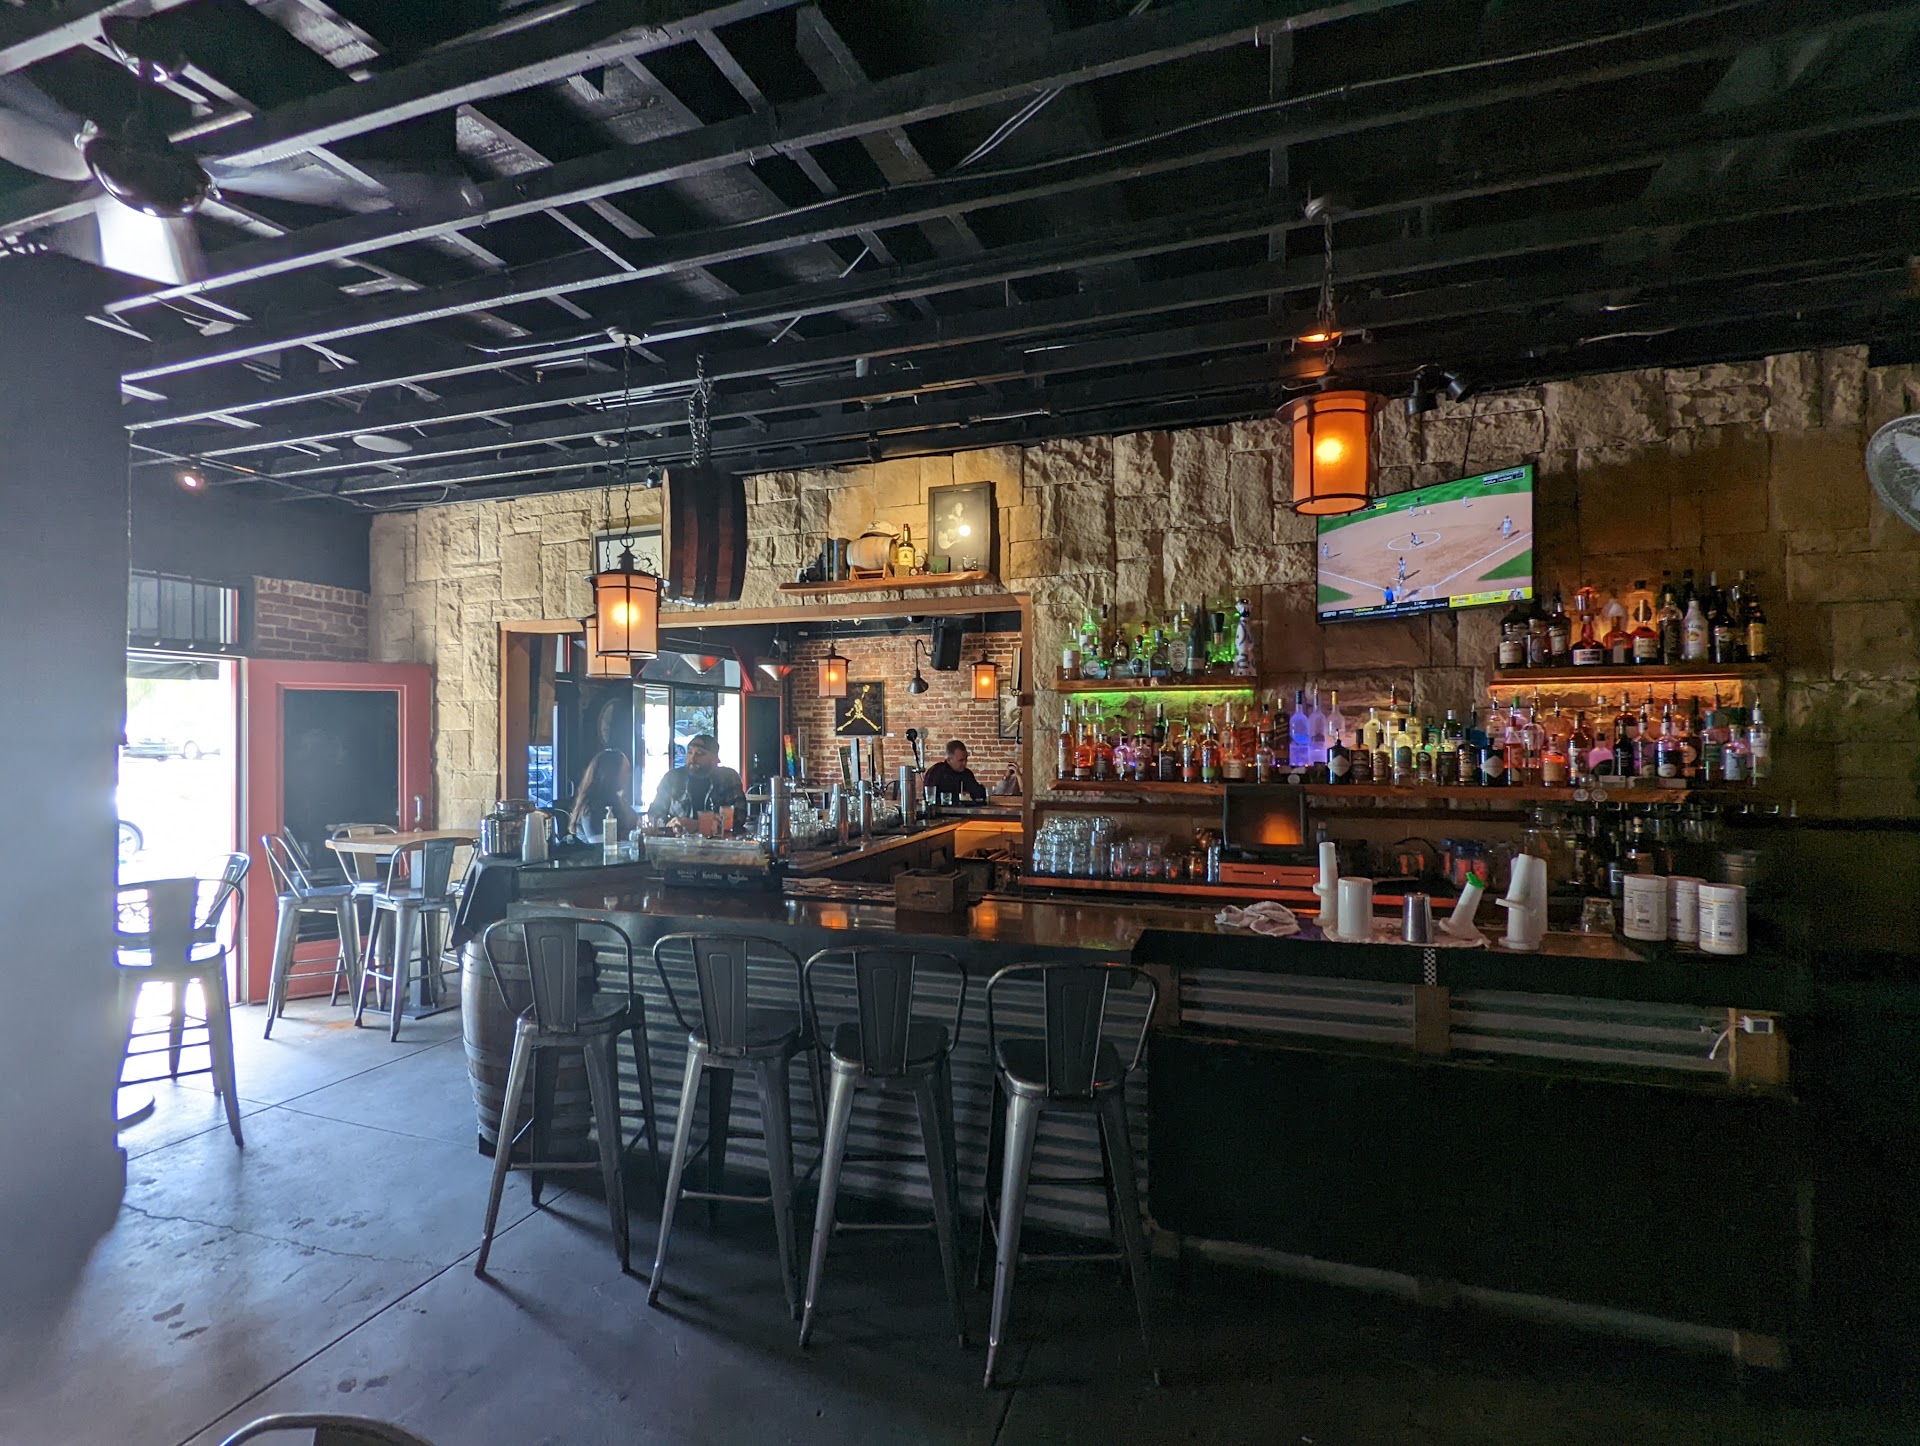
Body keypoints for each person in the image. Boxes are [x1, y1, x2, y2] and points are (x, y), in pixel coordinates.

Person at [648, 733, 746, 824]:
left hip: (718, 837)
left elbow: (740, 816)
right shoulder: (672, 778)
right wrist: (670, 824)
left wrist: (700, 826)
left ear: (715, 758)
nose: (692, 758)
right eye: (690, 752)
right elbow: (654, 812)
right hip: (680, 836)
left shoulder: (728, 778)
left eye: (700, 753)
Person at [571, 749, 637, 843]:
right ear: (612, 773)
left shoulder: (618, 801)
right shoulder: (592, 808)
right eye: (625, 771)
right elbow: (600, 845)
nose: (629, 775)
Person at [922, 740, 987, 803]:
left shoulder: (967, 774)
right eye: (961, 760)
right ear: (949, 760)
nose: (964, 763)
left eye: (966, 759)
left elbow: (979, 794)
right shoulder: (936, 772)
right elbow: (929, 797)